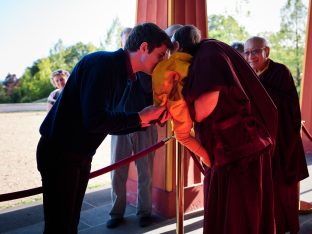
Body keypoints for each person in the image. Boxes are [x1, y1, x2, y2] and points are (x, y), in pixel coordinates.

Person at [36, 22, 173, 234]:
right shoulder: (103, 64)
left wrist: (144, 120)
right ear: (144, 47)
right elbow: (95, 120)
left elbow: (108, 121)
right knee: (59, 226)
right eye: (161, 55)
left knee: (70, 223)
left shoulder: (124, 74)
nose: (162, 61)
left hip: (78, 154)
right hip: (60, 154)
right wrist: (138, 117)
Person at [182, 38, 278, 233]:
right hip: (232, 150)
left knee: (238, 216)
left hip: (239, 152)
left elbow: (201, 111)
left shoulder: (208, 57)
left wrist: (176, 106)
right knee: (230, 212)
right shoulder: (210, 51)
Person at [244, 36, 309, 234]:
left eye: (255, 51)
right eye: (247, 52)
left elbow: (290, 107)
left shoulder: (280, 72)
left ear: (267, 51)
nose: (251, 56)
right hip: (260, 144)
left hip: (283, 143)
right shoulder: (248, 74)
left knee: (283, 191)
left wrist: (259, 88)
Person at [107, 27, 158, 228]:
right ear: (122, 44)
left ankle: (145, 211)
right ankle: (116, 213)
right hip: (119, 126)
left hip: (145, 127)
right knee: (117, 171)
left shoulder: (149, 67)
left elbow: (151, 91)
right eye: (126, 42)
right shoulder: (113, 67)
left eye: (132, 42)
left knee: (146, 172)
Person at [152, 25, 210, 166]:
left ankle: (208, 159)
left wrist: (159, 107)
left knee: (182, 136)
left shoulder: (168, 64)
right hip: (198, 105)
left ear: (176, 45)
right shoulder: (197, 61)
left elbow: (160, 85)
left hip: (179, 106)